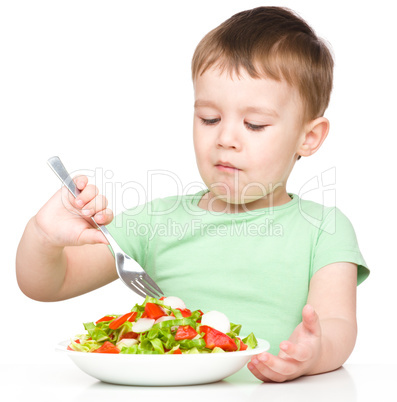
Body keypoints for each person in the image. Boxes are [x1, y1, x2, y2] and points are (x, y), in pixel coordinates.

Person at [16, 6, 369, 382]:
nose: (226, 139)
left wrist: (313, 353)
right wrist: (43, 236)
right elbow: (48, 284)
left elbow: (338, 324)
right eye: (209, 119)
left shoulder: (323, 229)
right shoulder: (156, 223)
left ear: (308, 137)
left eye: (254, 124)